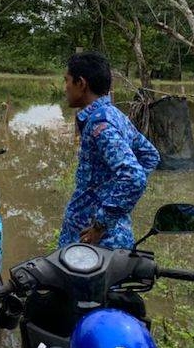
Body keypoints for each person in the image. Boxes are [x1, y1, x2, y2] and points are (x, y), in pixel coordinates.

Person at [60, 51, 160, 249]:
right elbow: (150, 155)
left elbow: (133, 176)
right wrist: (113, 193)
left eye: (67, 81)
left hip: (95, 246)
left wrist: (101, 224)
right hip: (104, 238)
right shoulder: (114, 114)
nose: (65, 88)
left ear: (81, 83)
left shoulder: (100, 123)